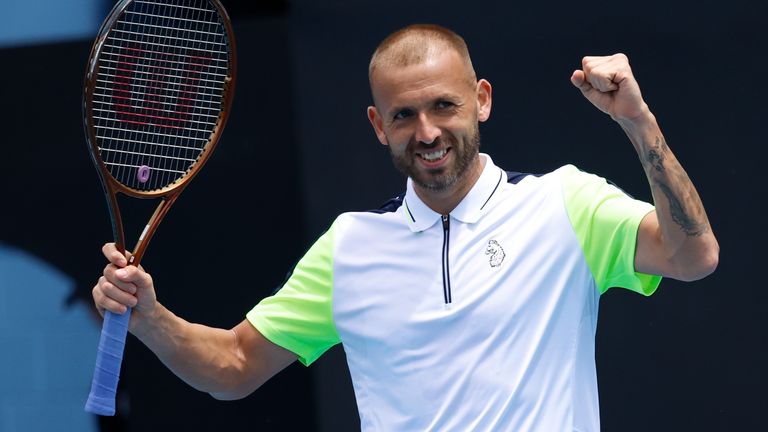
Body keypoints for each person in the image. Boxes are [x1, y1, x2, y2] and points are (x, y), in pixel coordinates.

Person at [92, 24, 719, 431]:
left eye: (444, 105)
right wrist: (149, 315)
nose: (426, 132)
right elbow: (233, 367)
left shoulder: (568, 205)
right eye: (404, 114)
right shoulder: (350, 249)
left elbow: (694, 255)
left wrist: (637, 121)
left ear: (482, 99)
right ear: (377, 124)